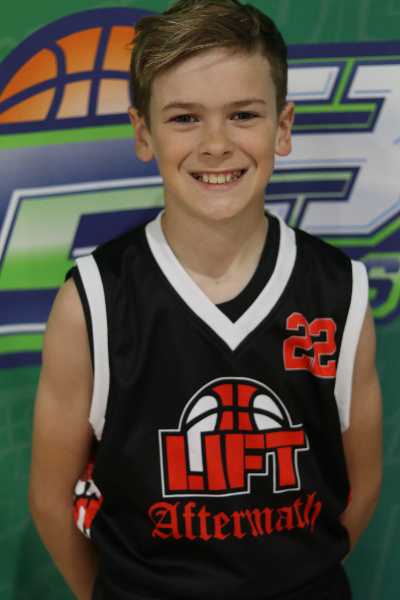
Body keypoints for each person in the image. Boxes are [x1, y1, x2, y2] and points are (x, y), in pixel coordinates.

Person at [28, 1, 383, 599]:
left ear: (283, 126)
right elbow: (50, 499)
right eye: (185, 118)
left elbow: (363, 485)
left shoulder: (339, 291)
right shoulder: (91, 302)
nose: (216, 145)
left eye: (243, 114)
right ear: (143, 132)